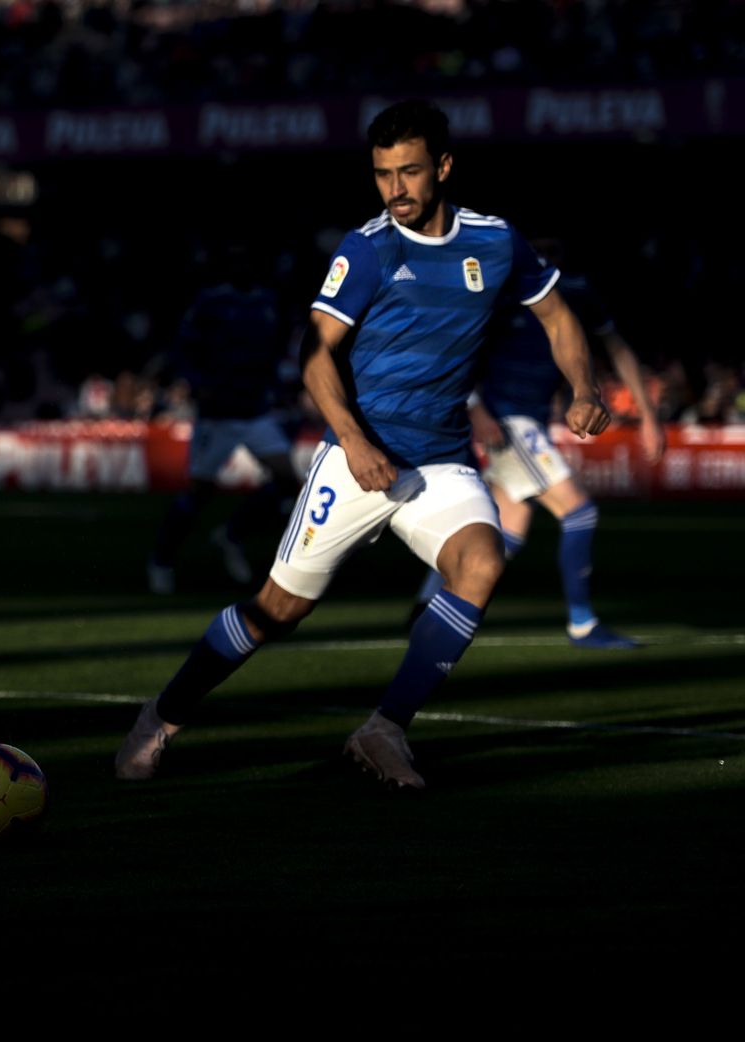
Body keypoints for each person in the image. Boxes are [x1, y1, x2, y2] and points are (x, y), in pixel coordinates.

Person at [116, 99, 610, 790]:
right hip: (358, 459)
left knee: (482, 561)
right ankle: (161, 716)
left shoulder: (495, 243)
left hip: (439, 461)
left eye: (409, 172)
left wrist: (584, 388)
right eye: (382, 175)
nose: (395, 190)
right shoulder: (369, 248)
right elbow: (315, 354)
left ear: (443, 166)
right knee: (276, 610)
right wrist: (350, 441)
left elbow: (558, 317)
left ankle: (382, 732)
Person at [410, 239, 665, 647]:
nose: (549, 256)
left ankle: (427, 608)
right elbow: (456, 350)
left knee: (503, 529)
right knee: (579, 512)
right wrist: (476, 408)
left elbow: (619, 350)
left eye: (555, 248)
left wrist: (650, 416)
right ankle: (582, 624)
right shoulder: (504, 291)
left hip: (528, 422)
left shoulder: (577, 293)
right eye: (541, 246)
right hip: (507, 420)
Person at [147, 244, 298, 593]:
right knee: (199, 493)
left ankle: (232, 534)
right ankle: (161, 561)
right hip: (218, 415)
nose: (244, 268)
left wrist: (276, 384)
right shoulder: (211, 302)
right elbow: (184, 349)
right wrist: (200, 386)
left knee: (288, 481)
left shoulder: (268, 302)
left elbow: (275, 350)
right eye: (238, 262)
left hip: (256, 409)